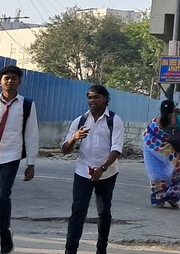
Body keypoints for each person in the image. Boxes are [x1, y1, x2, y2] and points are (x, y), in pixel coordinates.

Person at [61, 84, 124, 254]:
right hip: (83, 171)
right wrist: (74, 138)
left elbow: (116, 149)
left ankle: (101, 248)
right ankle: (70, 250)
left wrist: (102, 168)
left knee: (103, 212)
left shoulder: (114, 120)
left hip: (107, 173)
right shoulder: (80, 121)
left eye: (96, 97)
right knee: (78, 211)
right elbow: (64, 149)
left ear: (105, 99)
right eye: (89, 97)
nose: (92, 100)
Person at [0, 64, 38, 254]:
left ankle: (4, 232)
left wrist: (31, 163)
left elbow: (31, 134)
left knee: (2, 197)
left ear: (19, 82)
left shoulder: (27, 105)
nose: (10, 81)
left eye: (14, 78)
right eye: (6, 78)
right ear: (0, 83)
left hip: (10, 157)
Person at [143, 99, 180, 209]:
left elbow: (147, 137)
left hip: (158, 153)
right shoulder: (178, 119)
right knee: (176, 174)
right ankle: (172, 197)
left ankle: (160, 200)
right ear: (173, 109)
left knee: (158, 174)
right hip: (174, 154)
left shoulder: (155, 121)